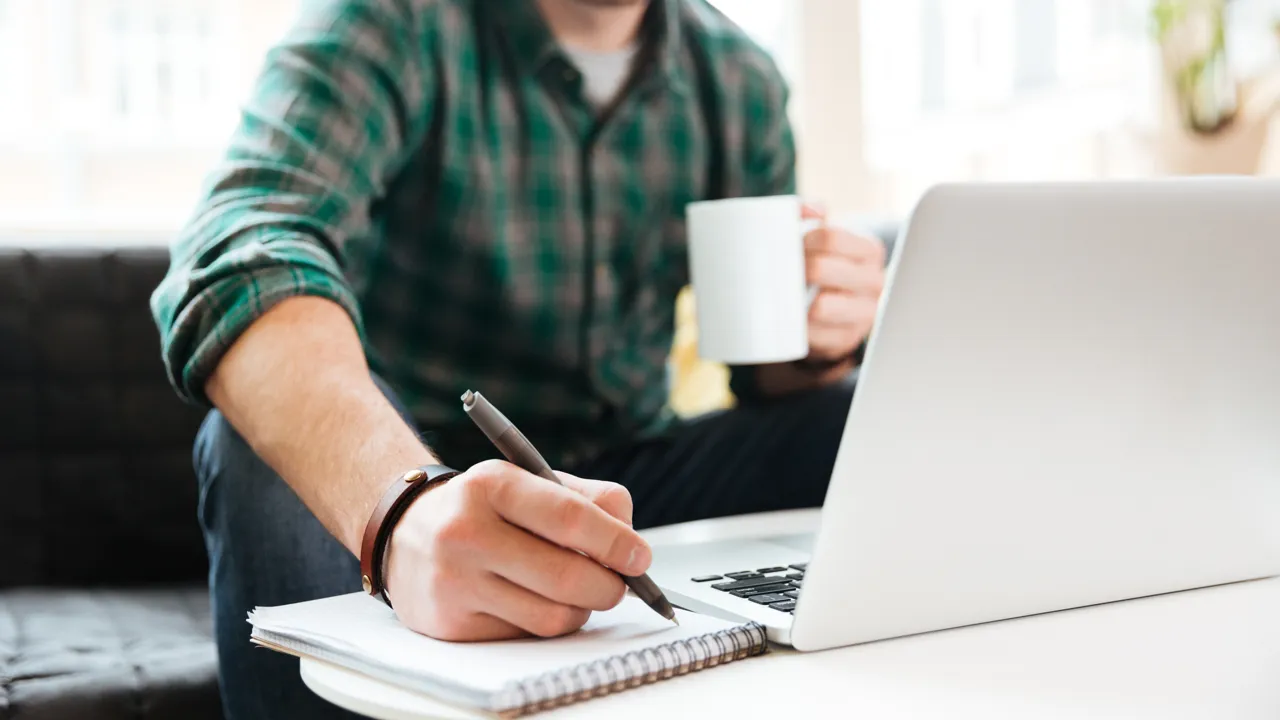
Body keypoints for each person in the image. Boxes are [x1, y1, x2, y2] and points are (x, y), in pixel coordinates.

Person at [151, 0, 886, 717]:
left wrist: (820, 334)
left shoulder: (737, 75)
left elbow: (765, 376)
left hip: (629, 485)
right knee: (250, 444)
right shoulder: (390, 22)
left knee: (860, 414)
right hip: (421, 477)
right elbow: (238, 251)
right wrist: (402, 505)